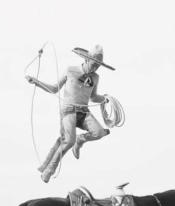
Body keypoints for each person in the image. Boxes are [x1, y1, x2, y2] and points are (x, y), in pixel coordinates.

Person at [25, 45, 116, 183]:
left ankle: (81, 140)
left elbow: (93, 97)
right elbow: (54, 88)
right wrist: (36, 82)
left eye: (98, 66)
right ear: (86, 60)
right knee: (68, 140)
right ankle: (49, 169)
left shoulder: (95, 78)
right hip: (68, 110)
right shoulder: (71, 70)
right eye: (93, 64)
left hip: (84, 111)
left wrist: (105, 98)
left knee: (99, 132)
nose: (95, 68)